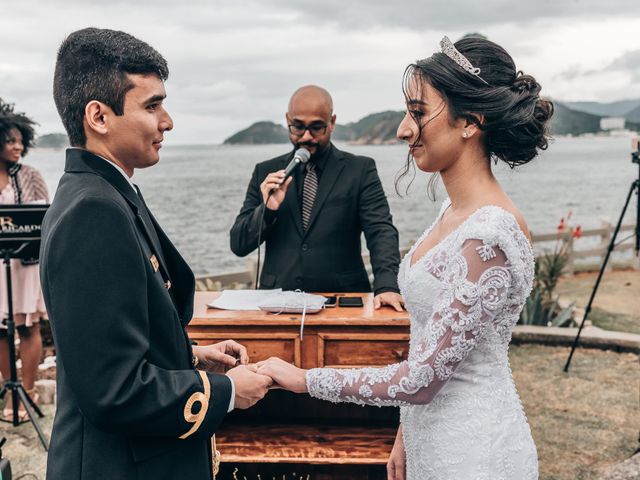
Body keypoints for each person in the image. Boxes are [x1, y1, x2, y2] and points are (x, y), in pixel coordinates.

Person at [256, 35, 553, 480]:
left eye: (417, 113)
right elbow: (434, 346)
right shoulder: (450, 214)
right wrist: (406, 433)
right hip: (431, 436)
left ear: (469, 122)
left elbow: (422, 377)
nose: (402, 129)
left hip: (473, 452)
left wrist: (304, 379)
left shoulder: (489, 234)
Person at [41, 28, 272, 480]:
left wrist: (190, 357)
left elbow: (112, 342)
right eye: (152, 105)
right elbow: (113, 389)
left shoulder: (105, 192)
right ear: (99, 116)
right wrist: (223, 391)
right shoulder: (94, 210)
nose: (167, 121)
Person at [230, 85, 404, 311]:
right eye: (298, 127)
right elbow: (239, 244)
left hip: (343, 303)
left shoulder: (360, 170)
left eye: (316, 127)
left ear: (331, 122)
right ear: (287, 120)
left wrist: (387, 286)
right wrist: (268, 209)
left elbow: (380, 230)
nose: (306, 136)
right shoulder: (265, 171)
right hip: (277, 304)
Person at [0, 99, 48, 420]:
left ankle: (27, 393)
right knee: (1, 331)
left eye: (20, 140)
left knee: (28, 327)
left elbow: (45, 216)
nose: (17, 146)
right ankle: (9, 391)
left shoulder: (30, 175)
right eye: (10, 140)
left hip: (24, 265)